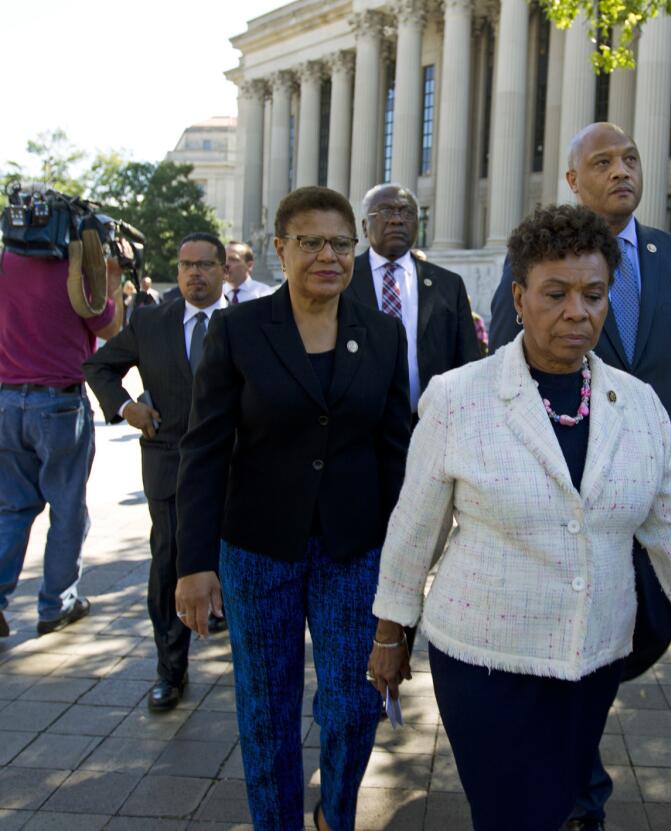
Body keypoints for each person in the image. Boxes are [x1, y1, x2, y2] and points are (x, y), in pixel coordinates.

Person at [371, 204, 671, 831]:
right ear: (520, 299)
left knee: (558, 804)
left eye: (593, 294)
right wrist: (391, 635)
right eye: (556, 294)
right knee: (511, 815)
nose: (577, 312)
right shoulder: (458, 397)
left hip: (594, 655)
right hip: (484, 658)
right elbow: (414, 531)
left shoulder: (637, 405)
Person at [489, 122, 671, 828]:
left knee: (633, 633)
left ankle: (570, 764)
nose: (622, 169)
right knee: (570, 638)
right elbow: (500, 371)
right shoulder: (532, 254)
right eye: (602, 161)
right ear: (573, 180)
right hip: (556, 487)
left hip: (647, 493)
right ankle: (578, 788)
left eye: (630, 157)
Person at [173, 186, 411, 830]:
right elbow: (203, 451)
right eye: (311, 243)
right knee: (266, 707)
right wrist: (193, 564)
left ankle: (335, 813)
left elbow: (397, 455)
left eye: (340, 243)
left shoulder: (383, 335)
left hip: (353, 550)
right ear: (280, 249)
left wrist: (405, 573)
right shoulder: (239, 330)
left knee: (353, 704)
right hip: (257, 550)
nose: (328, 256)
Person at [83, 233, 229, 711]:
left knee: (240, 566)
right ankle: (171, 671)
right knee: (169, 566)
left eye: (205, 265)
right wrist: (127, 407)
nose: (194, 274)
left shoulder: (247, 321)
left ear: (223, 271)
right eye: (186, 265)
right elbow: (99, 366)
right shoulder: (150, 320)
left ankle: (254, 672)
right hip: (170, 463)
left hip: (238, 467)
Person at [0, 244, 123, 638]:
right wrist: (114, 280)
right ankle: (56, 603)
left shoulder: (7, 259)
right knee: (67, 508)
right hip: (59, 402)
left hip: (7, 398)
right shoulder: (78, 266)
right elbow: (108, 328)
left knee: (13, 507)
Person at [348, 184, 480, 421]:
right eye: (386, 211)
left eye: (407, 213)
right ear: (365, 226)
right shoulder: (343, 282)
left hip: (432, 424)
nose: (397, 220)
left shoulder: (449, 285)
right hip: (359, 429)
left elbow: (468, 363)